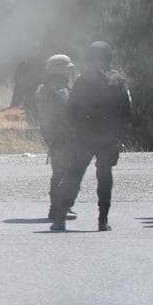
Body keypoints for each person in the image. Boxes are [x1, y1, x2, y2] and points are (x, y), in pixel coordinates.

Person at [50, 42, 132, 232]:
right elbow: (127, 110)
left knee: (74, 175)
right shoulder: (118, 81)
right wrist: (118, 135)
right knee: (105, 177)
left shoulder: (82, 80)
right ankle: (103, 221)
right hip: (108, 137)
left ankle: (60, 219)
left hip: (84, 137)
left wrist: (77, 130)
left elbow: (70, 110)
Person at [35, 54, 78, 221]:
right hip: (64, 136)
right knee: (64, 173)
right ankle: (59, 208)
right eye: (67, 70)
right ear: (59, 70)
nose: (69, 73)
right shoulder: (58, 90)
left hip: (53, 136)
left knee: (59, 172)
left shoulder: (43, 89)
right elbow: (67, 112)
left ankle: (57, 207)